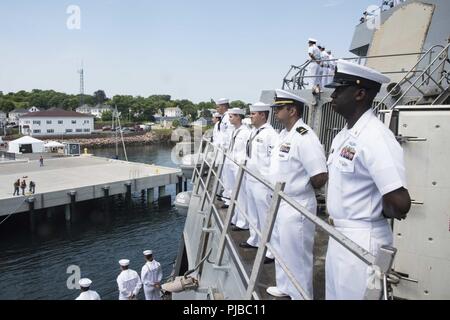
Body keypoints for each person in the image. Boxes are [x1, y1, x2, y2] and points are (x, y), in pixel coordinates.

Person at [324, 60, 411, 300]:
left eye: (339, 89)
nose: (333, 95)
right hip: (340, 235)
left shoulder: (376, 136)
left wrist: (371, 212)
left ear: (360, 94)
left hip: (363, 238)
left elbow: (400, 202)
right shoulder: (344, 135)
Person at [266, 89, 328, 300]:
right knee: (282, 248)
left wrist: (299, 186)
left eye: (279, 108)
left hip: (296, 203)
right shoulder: (284, 134)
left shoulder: (305, 136)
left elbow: (320, 175)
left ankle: (302, 295)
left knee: (298, 255)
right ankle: (285, 286)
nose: (275, 112)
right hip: (280, 202)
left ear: (292, 110)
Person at [241, 102, 278, 264]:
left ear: (263, 115)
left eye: (254, 114)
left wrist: (270, 183)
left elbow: (273, 161)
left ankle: (271, 249)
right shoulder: (253, 132)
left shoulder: (271, 135)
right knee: (253, 213)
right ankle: (255, 239)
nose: (251, 116)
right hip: (250, 178)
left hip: (263, 183)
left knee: (266, 217)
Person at [227, 108, 251, 230]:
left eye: (232, 116)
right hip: (232, 164)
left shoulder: (246, 132)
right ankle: (236, 218)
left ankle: (243, 222)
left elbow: (248, 151)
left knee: (242, 195)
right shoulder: (235, 131)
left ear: (238, 117)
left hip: (240, 166)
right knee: (235, 194)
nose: (230, 118)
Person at [216, 98, 235, 208]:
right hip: (223, 151)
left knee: (228, 176)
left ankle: (228, 200)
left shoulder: (228, 118)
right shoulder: (224, 118)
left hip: (227, 151)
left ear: (223, 106)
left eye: (218, 106)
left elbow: (229, 135)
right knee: (225, 175)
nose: (217, 108)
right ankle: (226, 196)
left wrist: (226, 148)